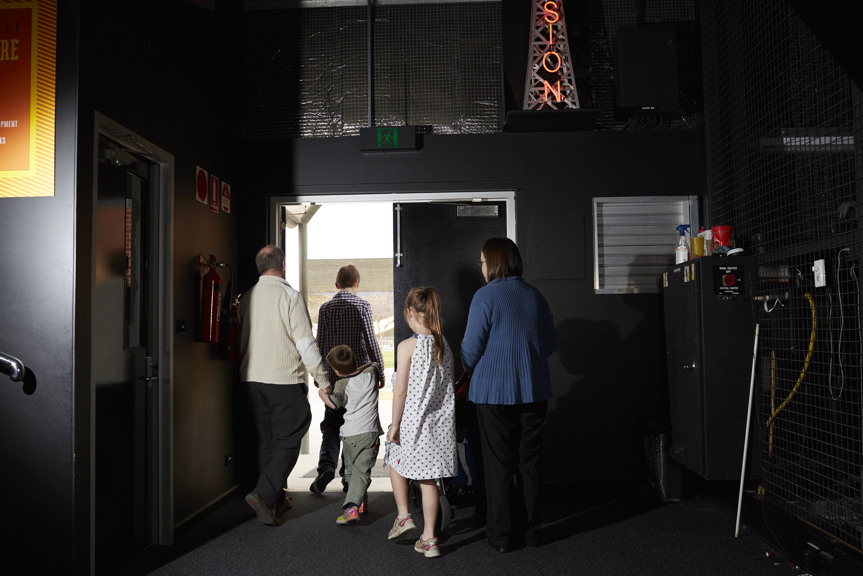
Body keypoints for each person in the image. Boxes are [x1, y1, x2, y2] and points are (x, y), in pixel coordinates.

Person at [460, 237, 557, 553]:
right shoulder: (535, 296)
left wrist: (470, 361)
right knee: (530, 462)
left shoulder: (485, 296)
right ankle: (533, 532)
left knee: (498, 465)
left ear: (495, 262)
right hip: (533, 389)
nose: (481, 265)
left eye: (483, 260)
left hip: (493, 392)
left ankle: (501, 538)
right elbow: (550, 344)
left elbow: (471, 351)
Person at [238, 244, 332, 526]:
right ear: (283, 265)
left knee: (268, 440)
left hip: (251, 380)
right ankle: (264, 494)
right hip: (282, 379)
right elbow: (305, 343)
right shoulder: (289, 296)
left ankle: (275, 500)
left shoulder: (247, 298)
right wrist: (323, 381)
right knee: (294, 430)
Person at [385, 287, 456, 559]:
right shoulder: (443, 345)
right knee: (430, 482)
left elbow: (400, 390)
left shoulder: (406, 347)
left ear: (409, 312)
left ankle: (403, 515)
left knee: (394, 458)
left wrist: (394, 425)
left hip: (413, 424)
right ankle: (429, 538)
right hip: (439, 427)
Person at [311, 264, 386, 495]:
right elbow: (371, 340)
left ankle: (325, 467)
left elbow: (321, 343)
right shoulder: (362, 305)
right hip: (358, 376)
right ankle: (347, 476)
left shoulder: (325, 308)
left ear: (336, 285)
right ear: (357, 283)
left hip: (334, 377)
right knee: (353, 426)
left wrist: (321, 377)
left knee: (331, 425)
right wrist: (380, 372)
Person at [318, 345, 383, 525]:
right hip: (370, 434)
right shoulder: (371, 373)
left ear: (337, 371)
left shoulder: (341, 384)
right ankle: (361, 502)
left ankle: (351, 508)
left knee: (353, 471)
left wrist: (321, 394)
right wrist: (356, 369)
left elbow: (333, 404)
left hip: (351, 435)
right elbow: (375, 363)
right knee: (361, 470)